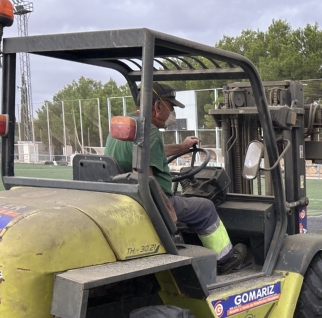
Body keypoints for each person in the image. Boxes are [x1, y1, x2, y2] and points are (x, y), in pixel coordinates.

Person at [105, 83, 248, 274]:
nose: (173, 113)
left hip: (125, 197)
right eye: (171, 107)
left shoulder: (126, 127)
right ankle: (225, 260)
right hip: (149, 202)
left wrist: (182, 148)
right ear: (157, 107)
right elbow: (145, 178)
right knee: (205, 207)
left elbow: (144, 152)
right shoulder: (150, 131)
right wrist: (168, 206)